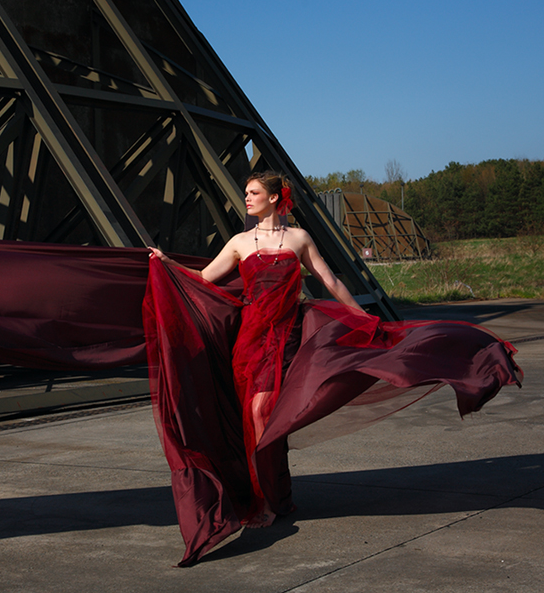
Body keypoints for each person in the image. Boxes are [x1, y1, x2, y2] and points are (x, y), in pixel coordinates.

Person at [143, 172, 522, 566]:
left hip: (287, 338)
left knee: (264, 415)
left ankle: (269, 502)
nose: (247, 199)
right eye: (246, 193)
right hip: (249, 342)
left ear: (275, 198)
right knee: (254, 421)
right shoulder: (239, 243)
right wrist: (168, 264)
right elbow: (205, 279)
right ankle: (270, 498)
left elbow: (328, 280)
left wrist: (365, 320)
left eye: (254, 193)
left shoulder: (299, 238)